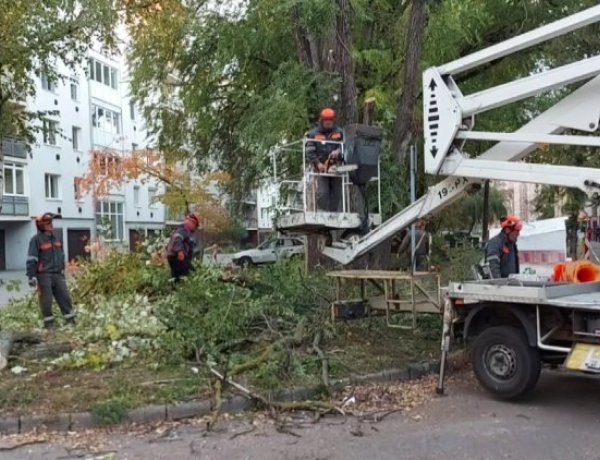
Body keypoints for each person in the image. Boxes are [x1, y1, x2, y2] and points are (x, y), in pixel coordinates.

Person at [26, 213, 76, 328]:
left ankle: (70, 320)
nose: (50, 225)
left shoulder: (56, 237)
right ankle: (49, 324)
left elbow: (61, 254)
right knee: (46, 300)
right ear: (41, 225)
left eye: (51, 223)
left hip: (58, 274)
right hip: (44, 275)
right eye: (47, 223)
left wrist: (62, 269)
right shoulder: (36, 240)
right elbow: (31, 258)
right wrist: (31, 275)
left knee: (65, 296)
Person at [306, 108, 344, 212]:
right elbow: (310, 151)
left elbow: (346, 146)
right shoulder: (313, 134)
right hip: (321, 168)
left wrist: (338, 151)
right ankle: (322, 213)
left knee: (337, 193)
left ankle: (334, 213)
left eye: (330, 120)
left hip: (335, 167)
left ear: (333, 120)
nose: (328, 122)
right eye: (326, 120)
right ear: (322, 121)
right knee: (323, 192)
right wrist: (318, 163)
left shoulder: (339, 132)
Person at [166, 213, 200, 282]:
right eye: (195, 225)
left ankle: (174, 287)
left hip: (174, 257)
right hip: (177, 257)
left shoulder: (186, 231)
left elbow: (187, 243)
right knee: (189, 273)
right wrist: (180, 251)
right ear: (191, 222)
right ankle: (178, 287)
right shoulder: (183, 229)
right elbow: (177, 238)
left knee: (177, 275)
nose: (195, 228)